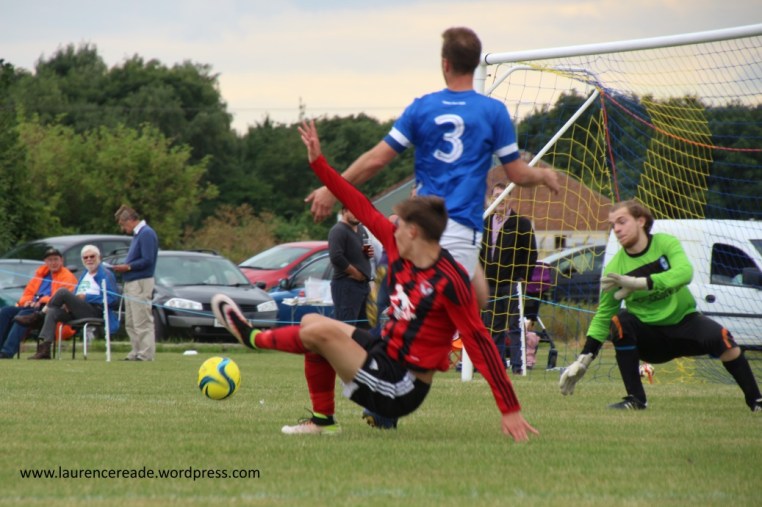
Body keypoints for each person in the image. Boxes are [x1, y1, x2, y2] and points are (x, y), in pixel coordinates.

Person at [212, 120, 539, 441]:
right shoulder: (400, 247)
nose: (392, 227)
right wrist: (319, 164)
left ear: (414, 231)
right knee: (312, 321)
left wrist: (509, 409)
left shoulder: (449, 280)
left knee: (320, 333)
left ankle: (253, 338)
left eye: (400, 224)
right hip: (384, 354)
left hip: (402, 386)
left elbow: (479, 342)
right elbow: (359, 203)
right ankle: (323, 421)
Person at [305, 27, 559, 305]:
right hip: (461, 230)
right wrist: (543, 175)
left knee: (466, 301)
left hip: (422, 230)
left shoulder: (423, 107)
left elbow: (375, 159)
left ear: (445, 64)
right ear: (475, 63)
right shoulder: (492, 111)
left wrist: (331, 188)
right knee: (461, 308)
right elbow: (518, 174)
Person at [559, 200, 762, 411]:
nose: (616, 229)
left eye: (622, 221)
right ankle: (636, 400)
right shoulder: (616, 267)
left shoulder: (665, 243)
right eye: (613, 225)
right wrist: (584, 359)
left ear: (641, 221)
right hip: (650, 338)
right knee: (620, 321)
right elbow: (603, 315)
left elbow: (685, 273)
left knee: (724, 339)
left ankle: (756, 401)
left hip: (684, 323)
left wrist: (641, 283)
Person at [480, 182, 538, 373]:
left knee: (515, 326)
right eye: (496, 195)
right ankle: (497, 365)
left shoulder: (521, 224)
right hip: (489, 284)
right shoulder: (484, 222)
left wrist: (523, 277)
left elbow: (531, 253)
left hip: (512, 283)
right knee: (493, 326)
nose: (500, 199)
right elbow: (479, 252)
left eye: (503, 195)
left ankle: (518, 365)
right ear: (491, 199)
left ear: (510, 198)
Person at [28, 245, 121, 360]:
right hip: (78, 310)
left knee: (62, 292)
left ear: (99, 257)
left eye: (92, 256)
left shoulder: (105, 274)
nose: (89, 259)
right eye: (85, 257)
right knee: (53, 311)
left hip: (96, 310)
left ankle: (39, 315)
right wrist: (69, 303)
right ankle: (45, 350)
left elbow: (112, 299)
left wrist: (86, 297)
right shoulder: (85, 274)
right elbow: (77, 293)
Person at [0, 248, 77, 359]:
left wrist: (40, 300)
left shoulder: (67, 276)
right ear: (45, 262)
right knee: (5, 311)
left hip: (48, 310)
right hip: (32, 307)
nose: (53, 263)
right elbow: (26, 294)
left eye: (56, 259)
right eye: (50, 260)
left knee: (23, 315)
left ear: (61, 260)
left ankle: (7, 351)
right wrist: (28, 301)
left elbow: (61, 299)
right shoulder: (40, 275)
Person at [112, 205, 159, 361]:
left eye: (123, 224)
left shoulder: (146, 233)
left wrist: (128, 266)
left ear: (131, 220)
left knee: (142, 319)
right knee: (131, 321)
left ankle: (146, 353)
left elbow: (147, 259)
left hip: (141, 281)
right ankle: (136, 350)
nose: (123, 228)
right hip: (131, 281)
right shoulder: (138, 235)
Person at [328, 206, 373, 328]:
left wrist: (368, 252)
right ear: (344, 211)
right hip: (346, 285)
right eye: (354, 211)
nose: (357, 214)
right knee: (346, 328)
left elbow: (366, 248)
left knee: (365, 328)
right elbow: (336, 257)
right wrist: (355, 273)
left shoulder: (361, 229)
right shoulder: (338, 230)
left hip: (364, 285)